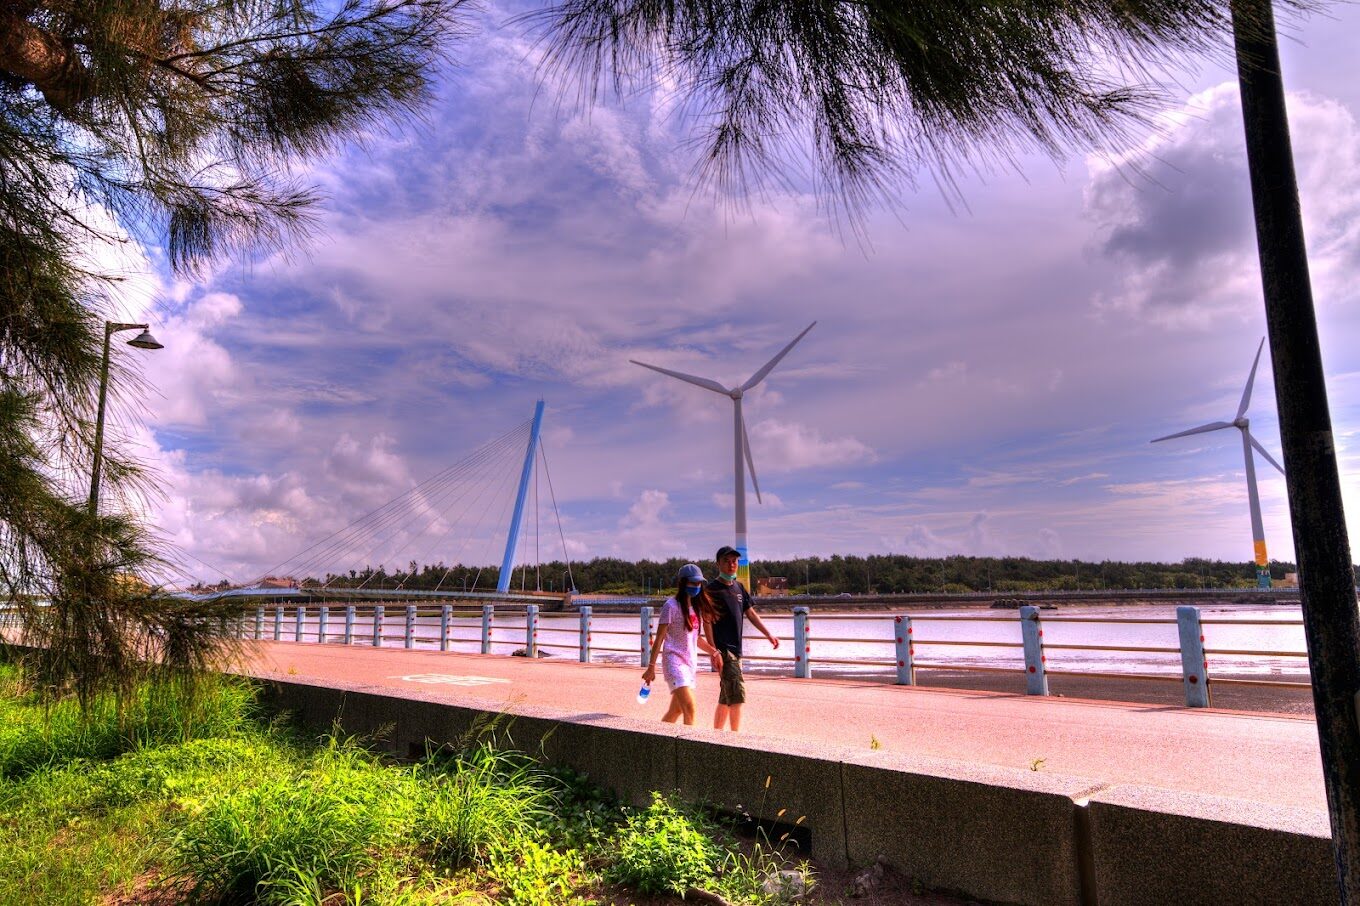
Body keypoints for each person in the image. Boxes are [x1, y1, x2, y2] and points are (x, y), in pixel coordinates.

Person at [708, 545, 779, 731]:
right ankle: (735, 740)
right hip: (724, 650)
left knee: (726, 696)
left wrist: (768, 634)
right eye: (727, 561)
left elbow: (751, 613)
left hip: (737, 650)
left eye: (734, 561)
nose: (732, 564)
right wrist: (713, 650)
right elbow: (706, 621)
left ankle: (715, 737)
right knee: (737, 693)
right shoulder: (711, 590)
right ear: (718, 564)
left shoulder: (739, 587)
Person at [642, 563, 723, 725]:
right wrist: (651, 667)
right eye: (693, 583)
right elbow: (659, 639)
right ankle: (690, 748)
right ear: (683, 583)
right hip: (674, 663)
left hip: (690, 664)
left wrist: (714, 652)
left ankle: (657, 743)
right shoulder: (670, 606)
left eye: (699, 583)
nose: (696, 586)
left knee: (676, 710)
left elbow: (696, 639)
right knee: (690, 707)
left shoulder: (696, 607)